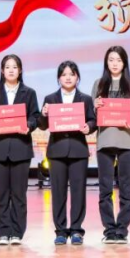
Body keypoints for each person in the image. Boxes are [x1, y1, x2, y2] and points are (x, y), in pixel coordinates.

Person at [0, 54, 41, 246]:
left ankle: (17, 232)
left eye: (15, 67)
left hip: (20, 148)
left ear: (20, 70)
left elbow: (35, 117)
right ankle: (3, 232)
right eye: (7, 67)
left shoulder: (29, 93)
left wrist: (28, 126)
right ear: (2, 70)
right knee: (1, 193)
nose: (11, 70)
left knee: (19, 193)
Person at [40, 60, 96, 246]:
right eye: (64, 74)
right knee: (58, 192)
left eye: (72, 74)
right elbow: (42, 125)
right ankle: (61, 231)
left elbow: (93, 121)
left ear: (77, 77)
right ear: (59, 78)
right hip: (57, 150)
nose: (68, 77)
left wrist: (88, 126)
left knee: (78, 191)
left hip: (78, 150)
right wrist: (44, 114)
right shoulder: (50, 99)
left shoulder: (85, 99)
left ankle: (77, 230)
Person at [91, 46, 130, 244]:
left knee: (126, 189)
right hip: (104, 141)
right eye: (111, 60)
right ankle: (109, 229)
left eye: (118, 60)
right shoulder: (99, 84)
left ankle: (122, 229)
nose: (114, 64)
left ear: (124, 63)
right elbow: (92, 115)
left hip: (127, 142)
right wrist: (95, 106)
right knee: (105, 189)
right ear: (106, 62)